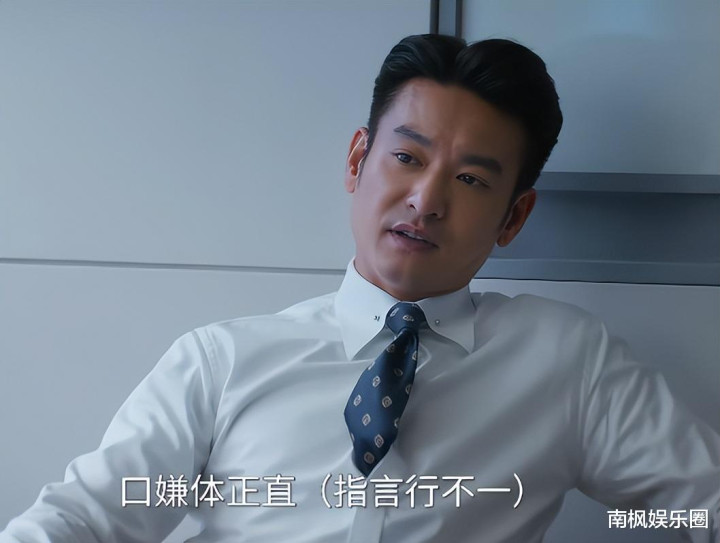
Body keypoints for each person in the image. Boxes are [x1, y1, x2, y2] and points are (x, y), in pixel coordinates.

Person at [1, 33, 719, 543]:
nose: (426, 201)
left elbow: (698, 504)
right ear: (357, 159)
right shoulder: (222, 361)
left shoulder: (567, 362)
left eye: (471, 179)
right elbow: (87, 515)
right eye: (407, 157)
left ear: (514, 217)